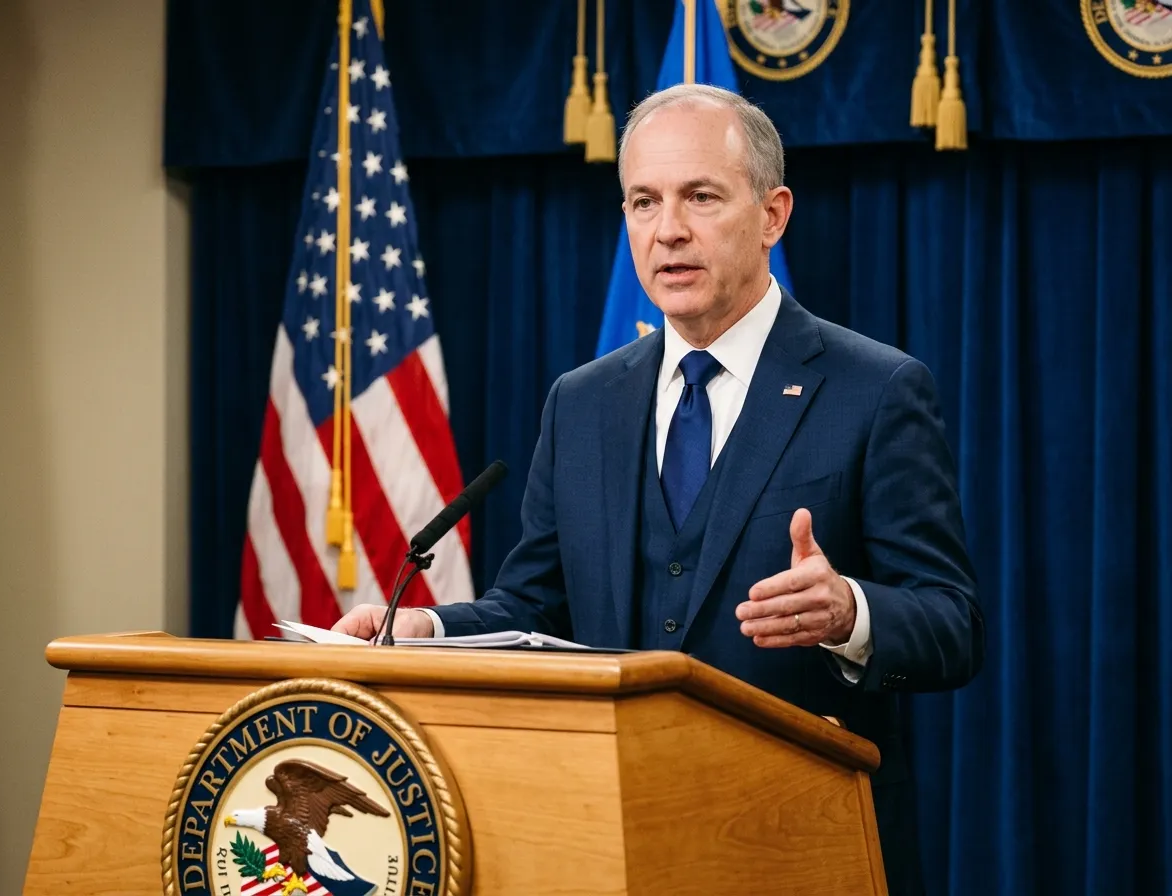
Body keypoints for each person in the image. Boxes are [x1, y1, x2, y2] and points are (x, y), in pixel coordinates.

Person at [334, 83, 984, 894]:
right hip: (610, 845)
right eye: (643, 201)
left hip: (796, 845)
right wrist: (425, 629)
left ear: (773, 215)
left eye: (700, 197)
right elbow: (533, 609)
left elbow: (953, 627)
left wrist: (851, 612)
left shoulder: (875, 389)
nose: (667, 229)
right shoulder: (583, 401)